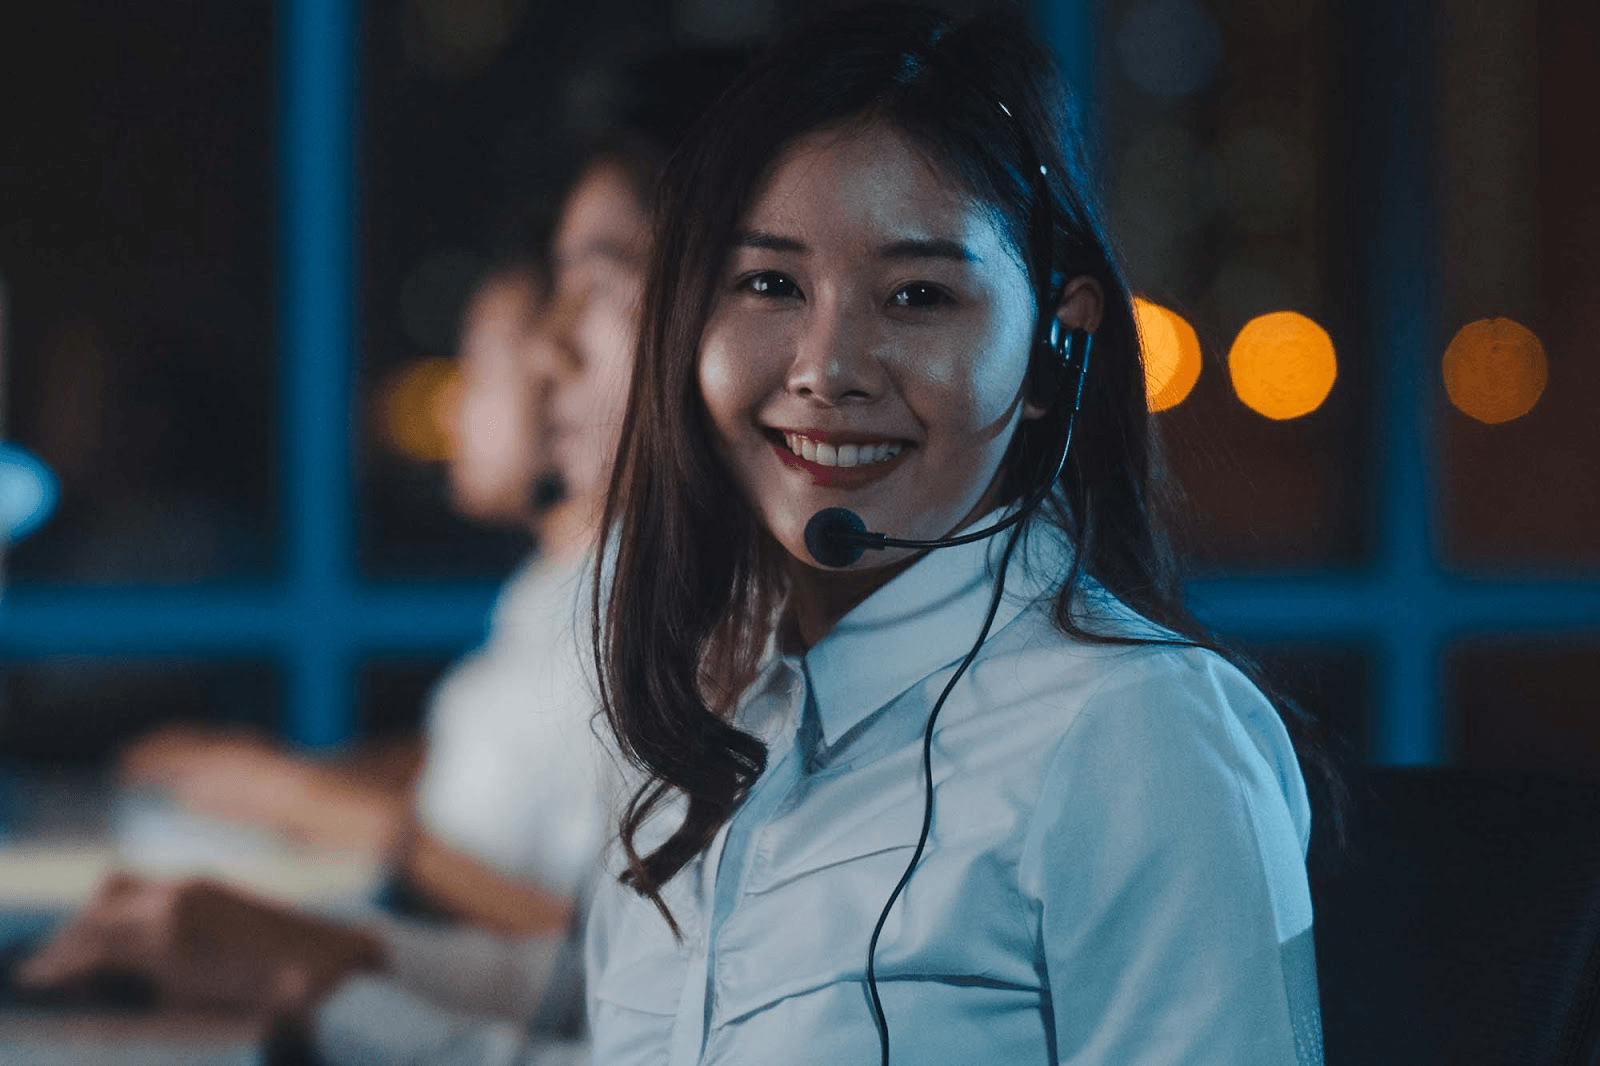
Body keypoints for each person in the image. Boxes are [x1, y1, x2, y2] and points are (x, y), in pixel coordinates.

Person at [586, 6, 1335, 1064]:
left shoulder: (1133, 732)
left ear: (1052, 347)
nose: (826, 366)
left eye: (918, 295)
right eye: (769, 284)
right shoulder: (707, 732)